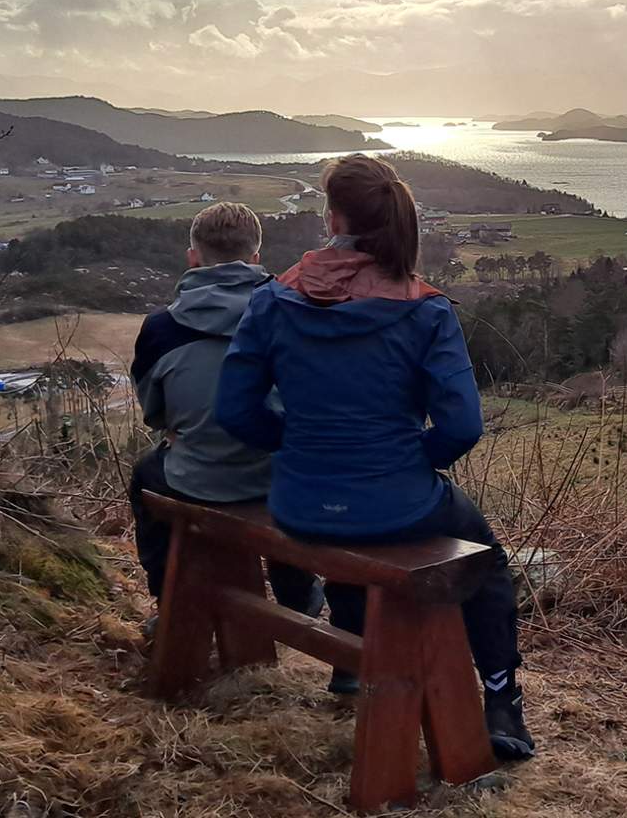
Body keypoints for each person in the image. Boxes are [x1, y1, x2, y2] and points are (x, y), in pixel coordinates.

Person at [216, 154, 535, 762]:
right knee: (488, 566)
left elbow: (235, 412)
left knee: (354, 529)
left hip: (300, 501)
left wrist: (303, 445)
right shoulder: (424, 308)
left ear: (331, 216)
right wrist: (412, 455)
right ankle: (501, 700)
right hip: (397, 498)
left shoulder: (273, 299)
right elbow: (463, 426)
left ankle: (351, 656)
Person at [126, 202, 353, 689]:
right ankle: (298, 592)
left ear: (193, 257)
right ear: (257, 254)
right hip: (288, 479)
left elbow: (156, 416)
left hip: (199, 479)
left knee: (147, 474)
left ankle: (169, 603)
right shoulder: (297, 312)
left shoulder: (161, 329)